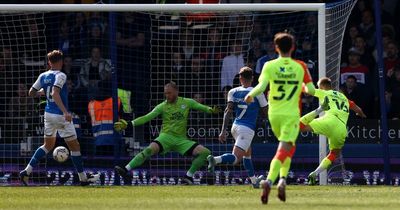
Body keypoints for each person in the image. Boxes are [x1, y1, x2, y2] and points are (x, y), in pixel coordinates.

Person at [244, 32, 316, 204]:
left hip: (274, 114)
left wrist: (251, 95)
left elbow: (261, 86)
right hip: (291, 114)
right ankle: (269, 181)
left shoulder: (269, 65)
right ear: (292, 47)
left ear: (276, 48)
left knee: (287, 148)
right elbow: (312, 91)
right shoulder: (300, 66)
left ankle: (282, 179)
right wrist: (303, 87)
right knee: (284, 149)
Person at [113, 82, 220, 185]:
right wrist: (129, 123)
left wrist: (211, 110)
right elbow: (147, 117)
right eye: (165, 93)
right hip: (165, 137)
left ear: (176, 92)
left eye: (169, 93)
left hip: (181, 140)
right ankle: (125, 169)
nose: (167, 95)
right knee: (149, 150)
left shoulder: (187, 102)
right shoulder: (162, 106)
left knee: (206, 152)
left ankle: (188, 177)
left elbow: (202, 107)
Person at [19, 50, 99, 186]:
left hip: (48, 115)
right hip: (60, 116)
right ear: (61, 62)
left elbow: (31, 93)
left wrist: (44, 92)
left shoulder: (43, 75)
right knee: (75, 147)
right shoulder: (61, 75)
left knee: (47, 145)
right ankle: (83, 178)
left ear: (49, 62)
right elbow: (55, 93)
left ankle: (26, 171)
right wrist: (65, 112)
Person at [207, 67, 268, 188]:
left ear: (240, 78)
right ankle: (214, 159)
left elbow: (228, 111)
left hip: (235, 127)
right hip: (247, 129)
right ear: (252, 78)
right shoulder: (258, 92)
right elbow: (266, 112)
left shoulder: (232, 92)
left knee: (247, 155)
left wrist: (223, 130)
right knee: (236, 159)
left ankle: (254, 181)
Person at [300, 77, 366, 185]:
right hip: (341, 128)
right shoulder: (343, 97)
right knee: (334, 154)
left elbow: (306, 89)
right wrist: (361, 114)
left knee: (300, 126)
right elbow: (358, 109)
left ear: (321, 86)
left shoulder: (323, 93)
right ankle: (315, 173)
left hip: (328, 121)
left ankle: (318, 110)